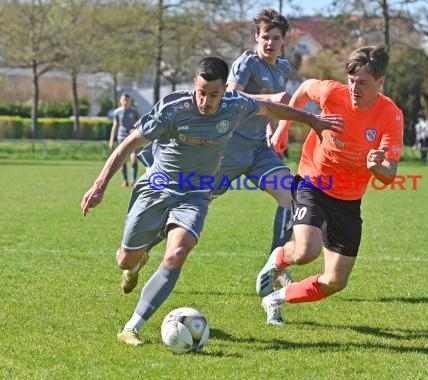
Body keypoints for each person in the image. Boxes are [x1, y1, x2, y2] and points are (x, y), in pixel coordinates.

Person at [80, 56, 343, 346]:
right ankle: (136, 261)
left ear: (224, 90)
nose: (206, 101)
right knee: (124, 259)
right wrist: (99, 186)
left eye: (213, 94)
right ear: (195, 85)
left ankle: (132, 327)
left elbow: (270, 108)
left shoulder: (235, 104)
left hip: (196, 194)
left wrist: (312, 119)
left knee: (177, 252)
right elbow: (128, 144)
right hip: (157, 187)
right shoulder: (173, 108)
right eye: (202, 93)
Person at [256, 46, 404, 325]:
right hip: (313, 180)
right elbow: (304, 89)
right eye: (351, 80)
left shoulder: (391, 115)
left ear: (380, 82)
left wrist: (376, 167)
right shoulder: (333, 93)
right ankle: (279, 258)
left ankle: (275, 299)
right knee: (306, 251)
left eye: (363, 83)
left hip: (348, 199)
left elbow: (389, 173)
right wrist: (283, 128)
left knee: (336, 281)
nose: (354, 88)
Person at [215, 9, 295, 289]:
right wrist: (271, 98)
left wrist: (273, 130)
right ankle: (143, 248)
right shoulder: (247, 62)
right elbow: (230, 95)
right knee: (195, 204)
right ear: (256, 38)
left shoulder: (283, 67)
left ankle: (276, 266)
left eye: (275, 38)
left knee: (291, 195)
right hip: (230, 148)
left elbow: (267, 112)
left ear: (283, 41)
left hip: (259, 149)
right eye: (265, 37)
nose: (269, 43)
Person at [108, 92, 141, 187]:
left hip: (133, 138)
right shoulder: (117, 112)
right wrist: (111, 140)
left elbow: (139, 125)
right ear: (121, 101)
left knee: (134, 158)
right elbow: (115, 126)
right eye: (124, 100)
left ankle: (134, 180)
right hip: (121, 137)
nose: (126, 102)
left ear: (130, 101)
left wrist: (135, 129)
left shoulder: (134, 112)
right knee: (122, 159)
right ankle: (125, 180)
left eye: (127, 100)